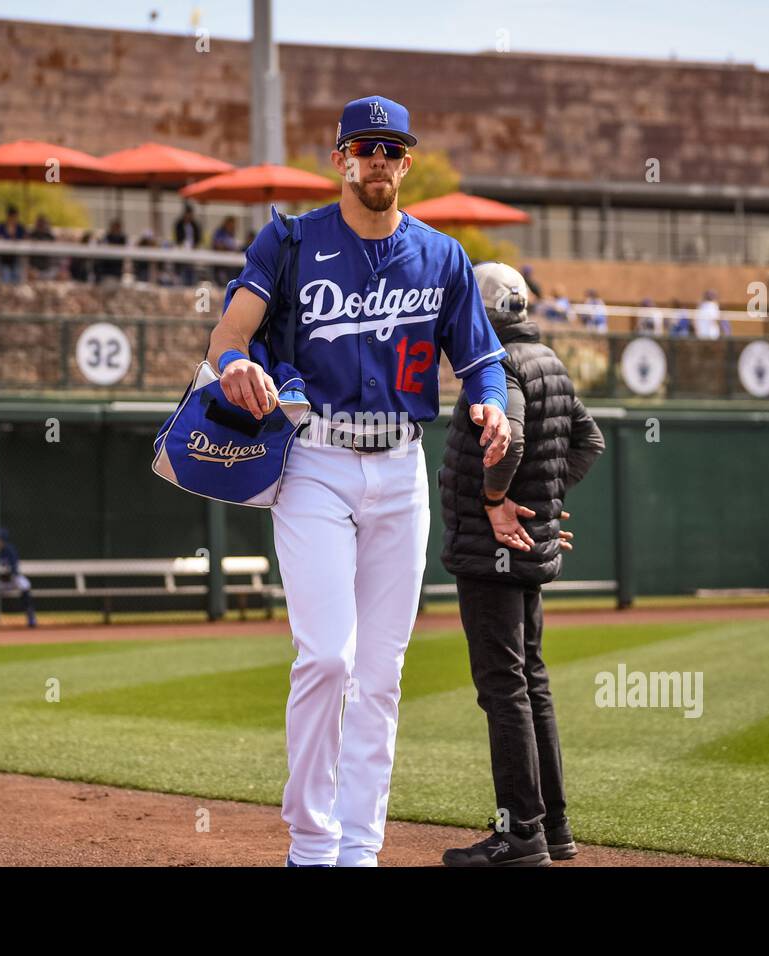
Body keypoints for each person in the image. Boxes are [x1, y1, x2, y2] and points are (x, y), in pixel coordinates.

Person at [208, 94, 511, 867]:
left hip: (401, 468)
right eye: (363, 147)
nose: (377, 160)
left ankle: (359, 849)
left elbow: (481, 362)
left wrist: (493, 407)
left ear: (407, 163)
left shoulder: (443, 257)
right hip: (315, 461)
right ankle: (311, 845)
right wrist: (237, 362)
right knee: (328, 658)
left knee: (380, 673)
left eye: (391, 149)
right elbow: (230, 333)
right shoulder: (290, 239)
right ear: (339, 157)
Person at [439, 262, 604, 867]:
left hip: (494, 554)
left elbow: (503, 435)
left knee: (504, 691)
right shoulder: (550, 361)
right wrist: (546, 502)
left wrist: (496, 502)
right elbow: (590, 441)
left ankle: (522, 834)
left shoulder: (499, 363)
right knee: (530, 684)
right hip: (526, 548)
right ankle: (553, 828)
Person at [0, 205, 28, 283]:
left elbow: (25, 239)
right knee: (6, 273)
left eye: (15, 216)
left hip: (17, 257)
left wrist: (15, 236)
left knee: (16, 273)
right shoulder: (1, 226)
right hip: (3, 257)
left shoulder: (20, 227)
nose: (13, 219)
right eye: (11, 216)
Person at [172, 202, 202, 285]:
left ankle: (191, 283)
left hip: (193, 249)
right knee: (181, 267)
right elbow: (177, 238)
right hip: (181, 248)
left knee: (191, 268)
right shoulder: (179, 224)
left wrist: (194, 245)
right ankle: (180, 282)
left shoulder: (195, 224)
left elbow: (198, 238)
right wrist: (182, 245)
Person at [28, 213, 56, 278]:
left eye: (43, 223)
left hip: (47, 267)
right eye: (40, 223)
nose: (41, 225)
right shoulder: (32, 235)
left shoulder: (49, 236)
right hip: (34, 267)